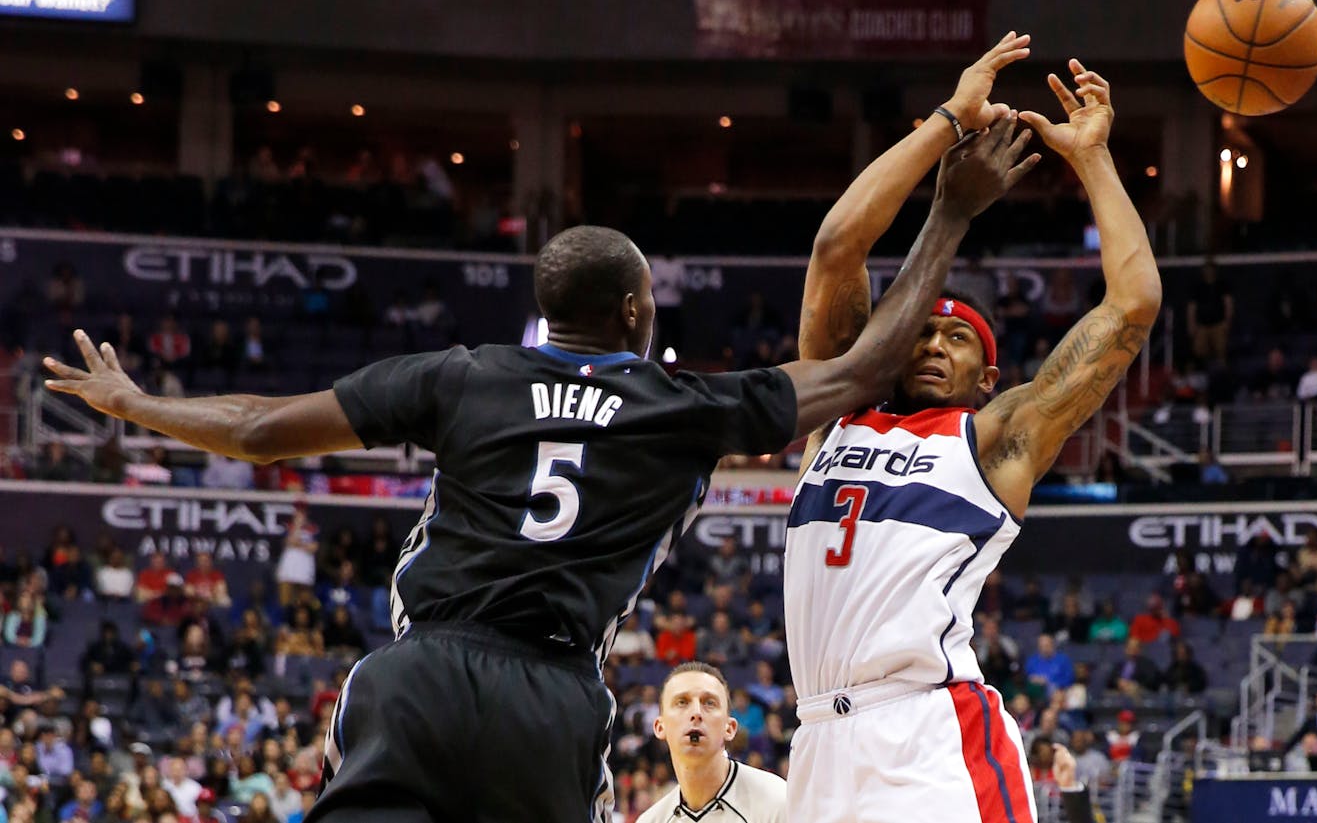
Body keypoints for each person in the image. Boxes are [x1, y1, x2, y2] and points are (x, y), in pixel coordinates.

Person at [44, 155, 979, 823]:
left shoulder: (463, 375)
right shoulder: (677, 403)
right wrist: (950, 213)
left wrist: (136, 403)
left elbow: (256, 431)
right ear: (632, 313)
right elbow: (864, 368)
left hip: (419, 676)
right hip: (551, 692)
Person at [786, 50, 1160, 823]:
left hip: (929, 734)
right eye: (921, 332)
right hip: (819, 739)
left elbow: (1132, 304)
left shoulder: (995, 436)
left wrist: (1091, 157)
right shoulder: (839, 409)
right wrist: (946, 124)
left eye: (957, 341)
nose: (931, 344)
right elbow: (835, 250)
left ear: (988, 378)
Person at [640, 662, 786, 822]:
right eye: (682, 702)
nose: (696, 713)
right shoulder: (651, 820)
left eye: (709, 703)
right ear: (660, 727)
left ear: (729, 728)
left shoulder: (777, 801)